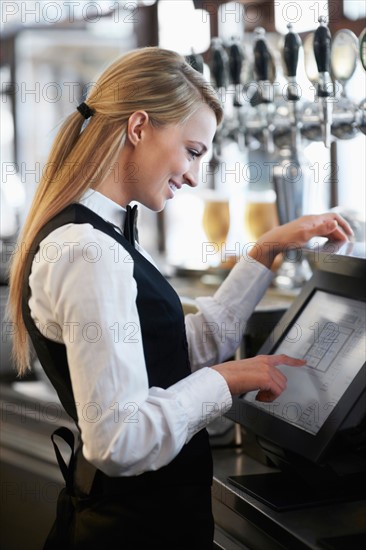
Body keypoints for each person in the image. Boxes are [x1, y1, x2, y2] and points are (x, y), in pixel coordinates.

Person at [8, 47, 353, 549]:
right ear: (139, 127)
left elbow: (172, 350)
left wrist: (267, 249)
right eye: (192, 151)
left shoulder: (102, 233)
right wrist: (224, 380)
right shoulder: (89, 250)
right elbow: (118, 440)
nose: (194, 175)